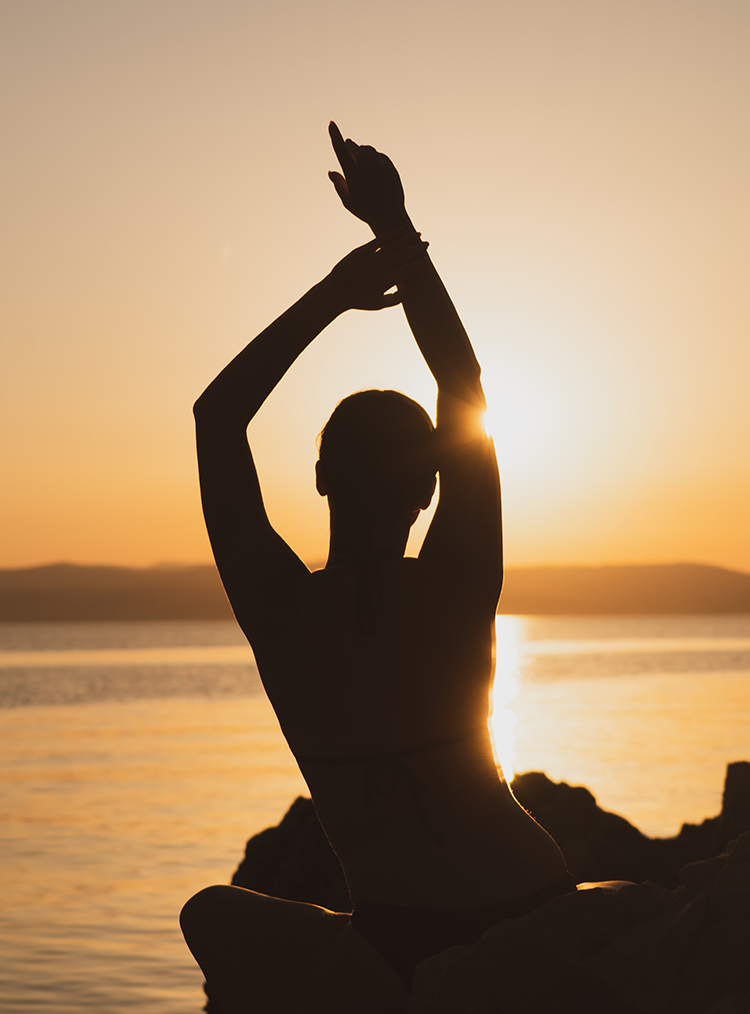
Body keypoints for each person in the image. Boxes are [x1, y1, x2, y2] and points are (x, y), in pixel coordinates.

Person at [180, 123, 573, 1014]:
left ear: (319, 476)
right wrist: (395, 230)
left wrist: (334, 293)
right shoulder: (461, 578)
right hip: (532, 902)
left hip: (401, 943)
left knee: (211, 912)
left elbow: (217, 418)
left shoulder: (277, 608)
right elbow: (462, 380)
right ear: (429, 492)